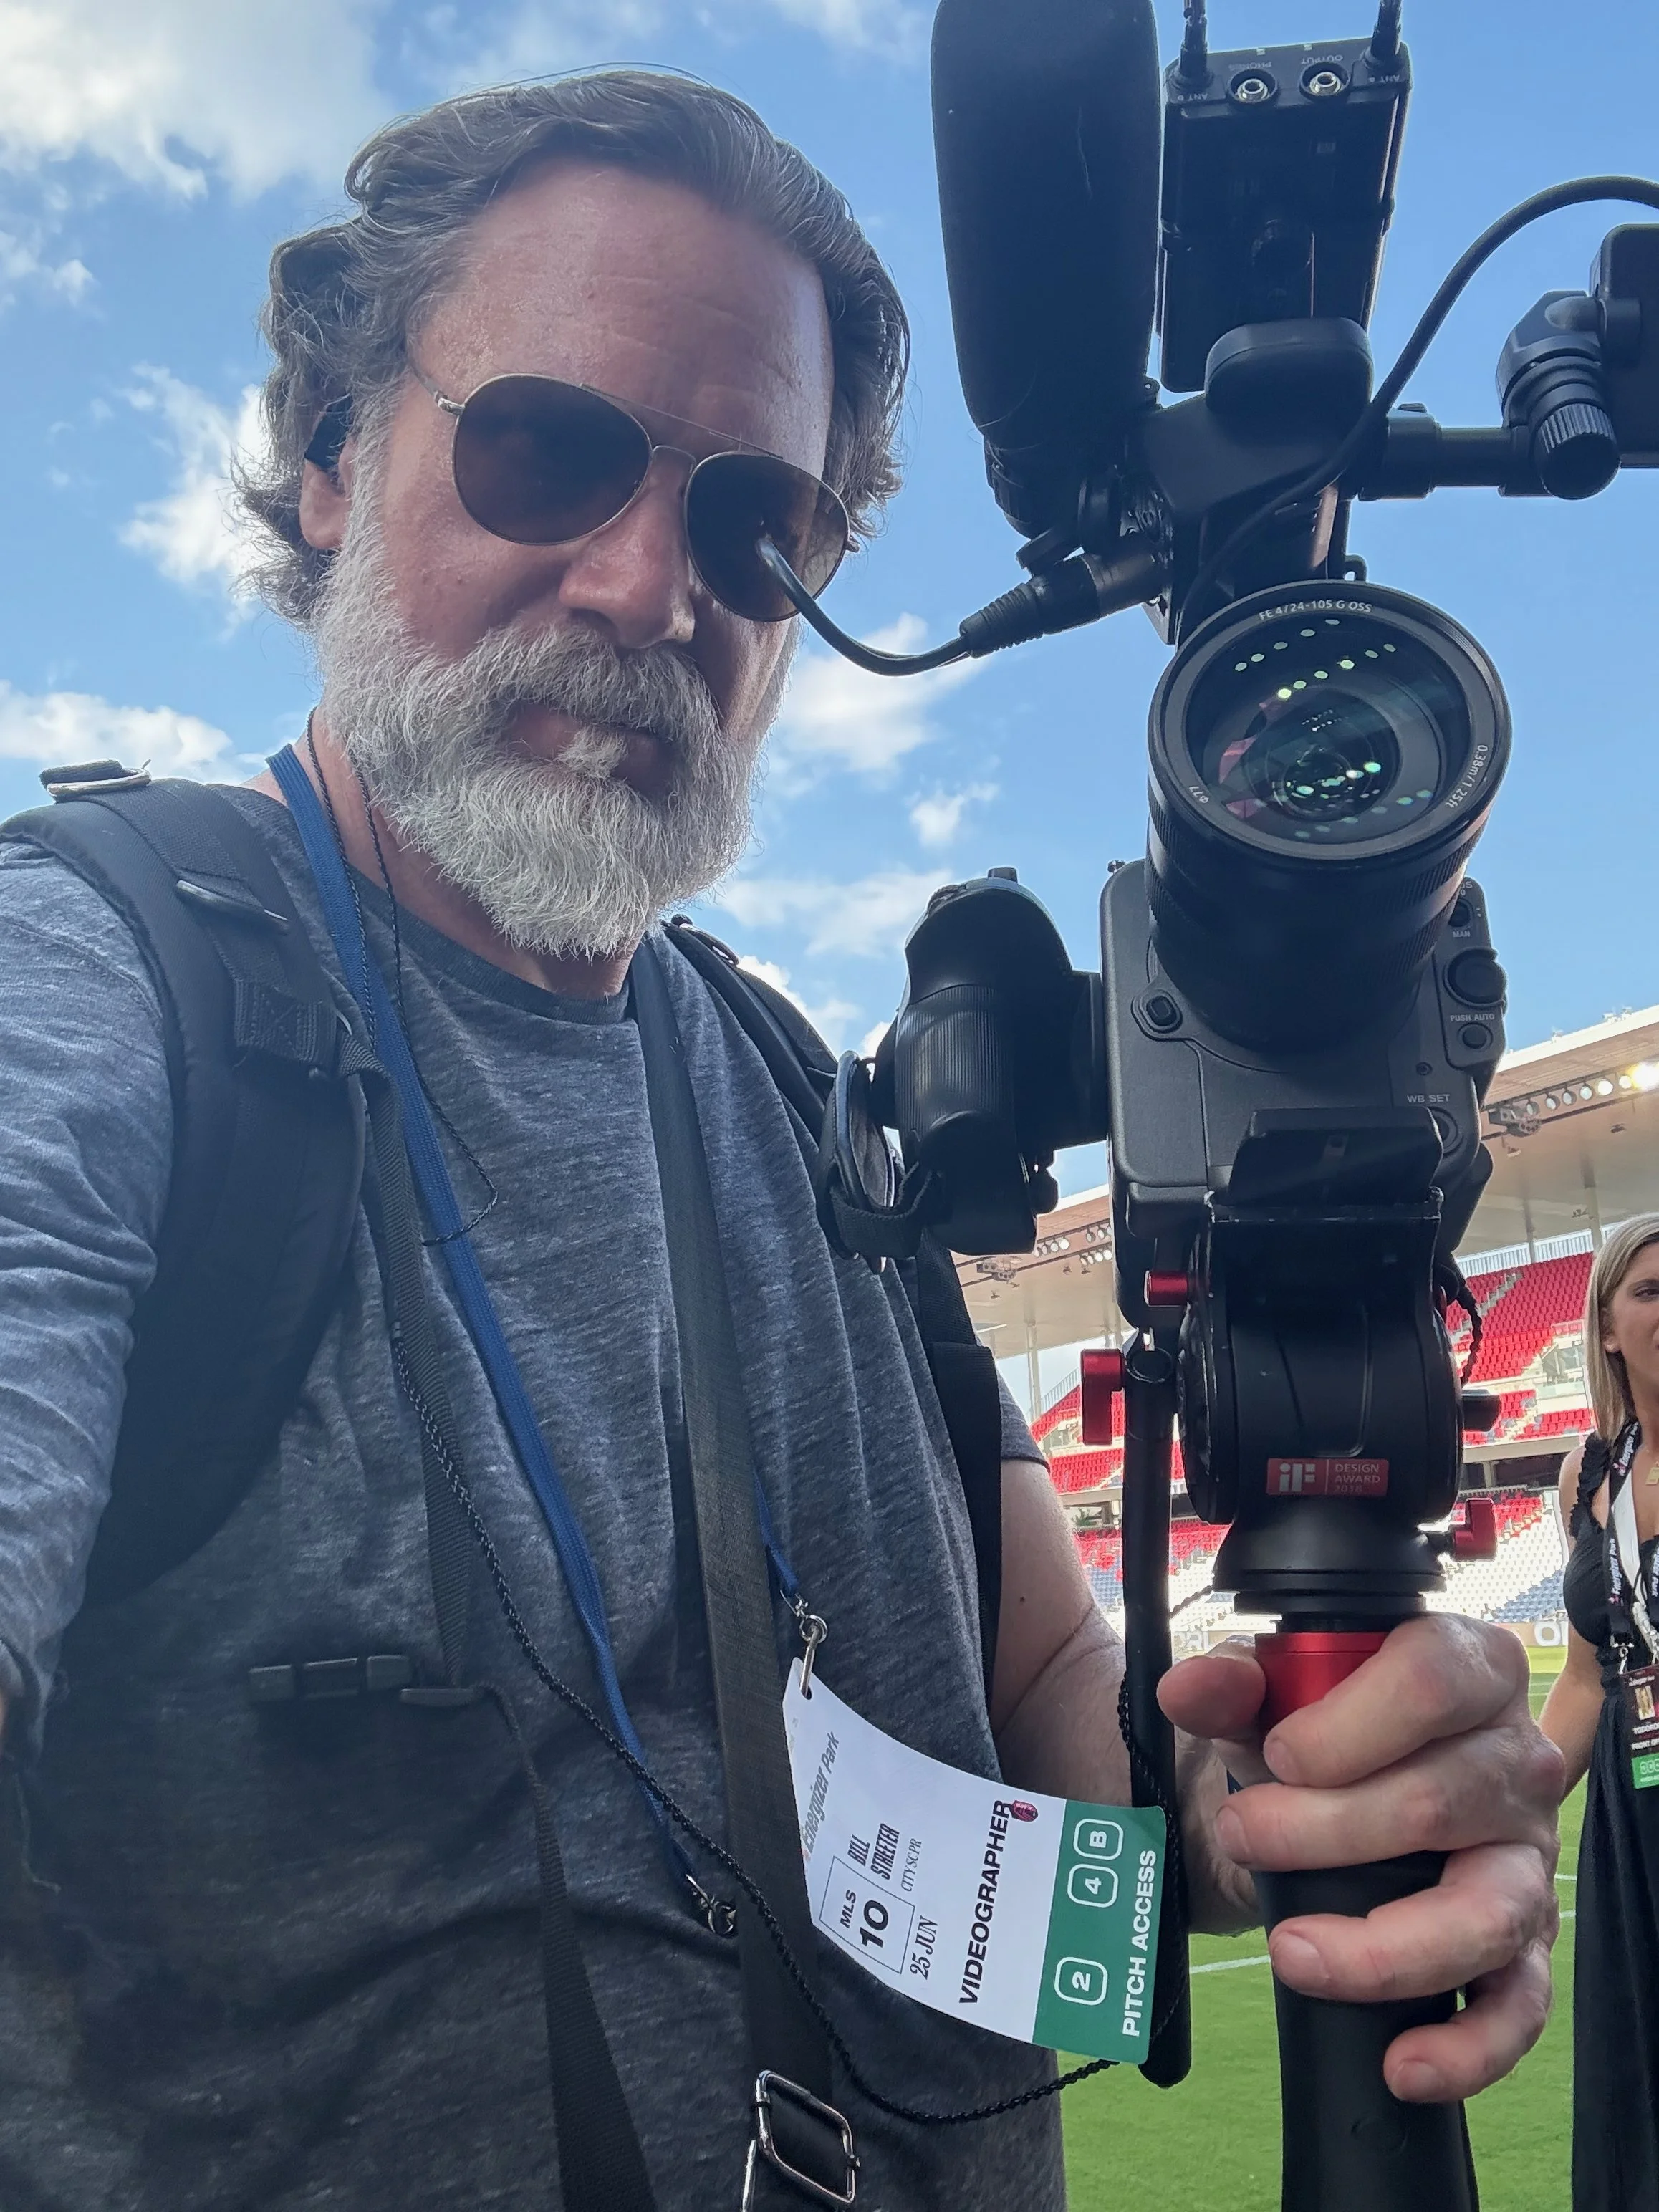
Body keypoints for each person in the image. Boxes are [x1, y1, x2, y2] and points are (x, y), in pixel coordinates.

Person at [0, 71, 1560, 2212]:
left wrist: (1264, 1791)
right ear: (333, 459)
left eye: (756, 523)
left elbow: (1027, 1690)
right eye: (546, 449)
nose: (649, 587)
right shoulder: (87, 993)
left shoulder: (807, 1087)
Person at [1542, 1215, 1659, 2211]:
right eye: (1653, 1289)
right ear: (1609, 1326)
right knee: (1635, 2078)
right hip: (1631, 1816)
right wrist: (1512, 1808)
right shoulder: (1591, 1476)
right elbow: (1586, 1679)